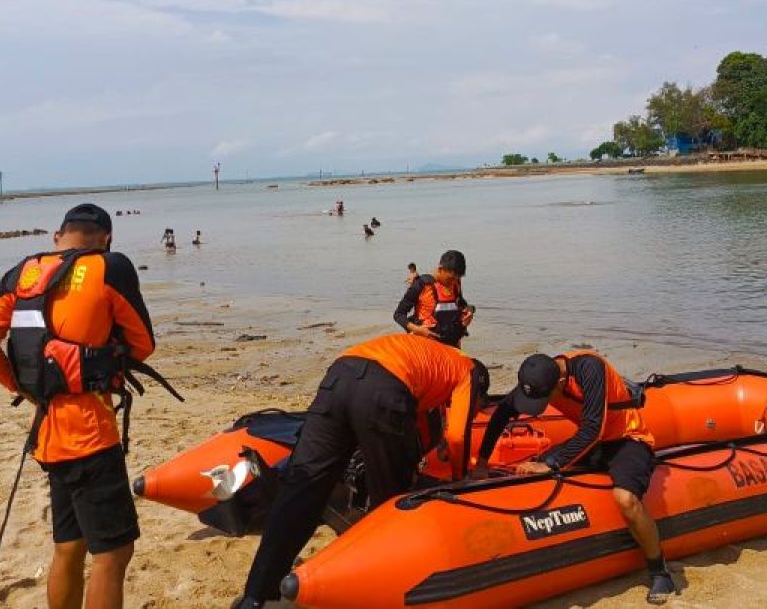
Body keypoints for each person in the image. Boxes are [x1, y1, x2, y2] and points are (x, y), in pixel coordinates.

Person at [0, 204, 159, 609]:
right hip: (91, 432)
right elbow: (143, 345)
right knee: (113, 553)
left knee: (69, 545)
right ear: (106, 239)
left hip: (47, 431)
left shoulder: (24, 273)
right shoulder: (111, 267)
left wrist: (25, 387)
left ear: (58, 237)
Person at [233, 333, 488, 608]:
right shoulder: (469, 370)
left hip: (339, 375)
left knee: (301, 491)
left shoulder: (436, 357)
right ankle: (385, 590)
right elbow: (459, 436)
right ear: (481, 386)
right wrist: (462, 478)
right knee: (391, 505)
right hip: (384, 389)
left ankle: (256, 595)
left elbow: (418, 427)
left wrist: (418, 458)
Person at [473, 352, 676, 605]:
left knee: (625, 499)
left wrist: (551, 463)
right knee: (529, 471)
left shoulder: (589, 369)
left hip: (626, 440)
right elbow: (502, 414)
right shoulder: (541, 375)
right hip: (595, 443)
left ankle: (659, 570)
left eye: (545, 399)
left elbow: (593, 429)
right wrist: (481, 464)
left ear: (558, 383)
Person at [393, 249, 473, 347]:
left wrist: (469, 311)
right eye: (451, 278)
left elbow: (461, 304)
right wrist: (416, 329)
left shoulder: (456, 283)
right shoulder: (421, 285)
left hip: (451, 343)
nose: (453, 282)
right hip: (425, 345)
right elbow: (398, 314)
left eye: (457, 278)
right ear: (440, 269)